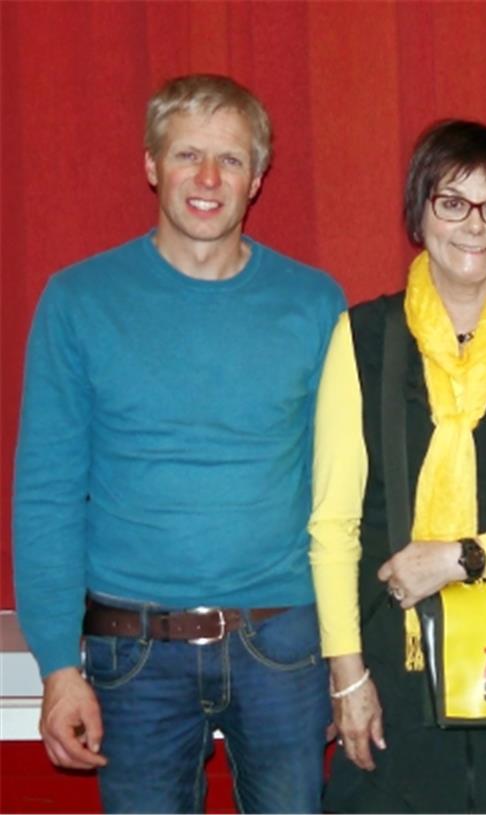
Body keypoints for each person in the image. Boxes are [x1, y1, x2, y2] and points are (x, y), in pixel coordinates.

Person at [12, 74, 345, 812]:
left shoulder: (315, 303)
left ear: (257, 178)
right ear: (151, 164)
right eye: (187, 154)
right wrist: (59, 666)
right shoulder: (78, 301)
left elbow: (345, 489)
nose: (207, 178)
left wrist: (350, 652)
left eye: (229, 160)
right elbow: (47, 493)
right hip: (131, 653)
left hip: (283, 644)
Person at [308, 119, 486, 812]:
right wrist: (347, 675)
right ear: (420, 213)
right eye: (453, 202)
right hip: (395, 676)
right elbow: (334, 522)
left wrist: (460, 558)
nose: (474, 225)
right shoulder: (363, 338)